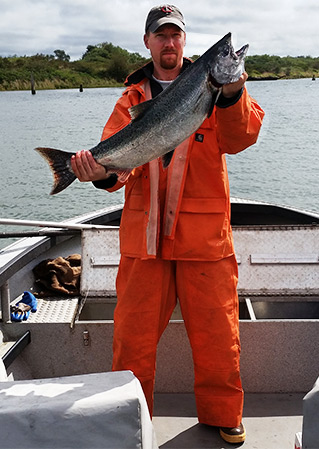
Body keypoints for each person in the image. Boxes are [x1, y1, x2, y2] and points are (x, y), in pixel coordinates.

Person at [71, 4, 264, 444]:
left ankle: (223, 416)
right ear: (148, 43)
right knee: (132, 344)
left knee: (219, 337)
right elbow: (118, 168)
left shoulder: (213, 88)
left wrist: (233, 91)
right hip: (144, 241)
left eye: (176, 34)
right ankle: (129, 419)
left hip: (205, 241)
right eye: (161, 35)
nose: (170, 42)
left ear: (185, 41)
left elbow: (240, 139)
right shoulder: (131, 97)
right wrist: (93, 169)